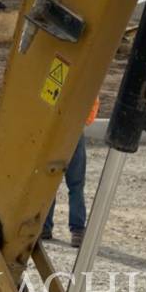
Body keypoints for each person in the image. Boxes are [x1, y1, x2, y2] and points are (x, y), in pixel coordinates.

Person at [41, 96, 99, 247]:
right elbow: (92, 108)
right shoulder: (86, 83)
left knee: (49, 182)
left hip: (53, 131)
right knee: (76, 185)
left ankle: (44, 227)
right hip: (75, 130)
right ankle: (78, 232)